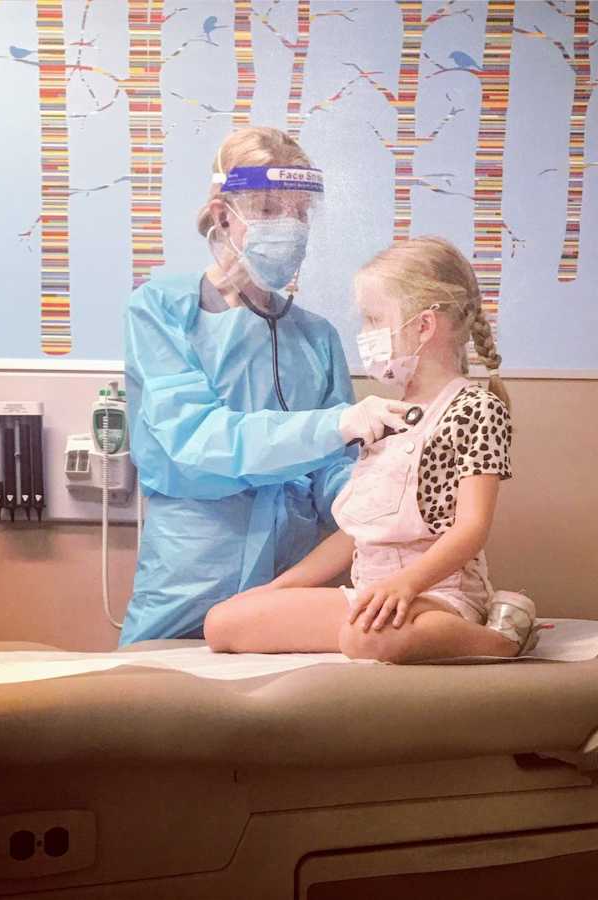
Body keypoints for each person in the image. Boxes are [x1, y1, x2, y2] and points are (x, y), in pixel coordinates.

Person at [119, 127, 412, 645]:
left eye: (299, 212)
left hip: (290, 577)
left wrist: (383, 500)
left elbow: (333, 474)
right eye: (269, 207)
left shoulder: (315, 337)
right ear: (222, 213)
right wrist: (334, 424)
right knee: (158, 710)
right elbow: (195, 438)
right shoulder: (162, 312)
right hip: (192, 571)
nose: (290, 226)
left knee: (279, 715)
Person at [204, 236, 541, 662]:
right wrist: (280, 588)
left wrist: (407, 585)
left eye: (373, 319)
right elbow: (356, 534)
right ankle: (371, 624)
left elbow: (471, 528)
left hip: (438, 597)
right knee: (223, 622)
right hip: (370, 595)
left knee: (366, 640)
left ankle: (503, 639)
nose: (364, 334)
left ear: (423, 326)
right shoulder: (384, 415)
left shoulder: (476, 409)